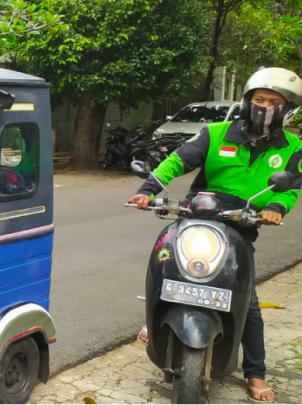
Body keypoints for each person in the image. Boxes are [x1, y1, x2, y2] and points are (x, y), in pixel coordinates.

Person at [129, 67, 302, 403]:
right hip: (199, 213)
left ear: (286, 109)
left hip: (242, 223)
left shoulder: (294, 147)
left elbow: (290, 189)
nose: (264, 106)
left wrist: (275, 209)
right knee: (166, 266)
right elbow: (178, 161)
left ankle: (255, 372)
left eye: (273, 102)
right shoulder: (217, 132)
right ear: (247, 100)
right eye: (260, 99)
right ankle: (157, 319)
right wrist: (148, 189)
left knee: (247, 301)